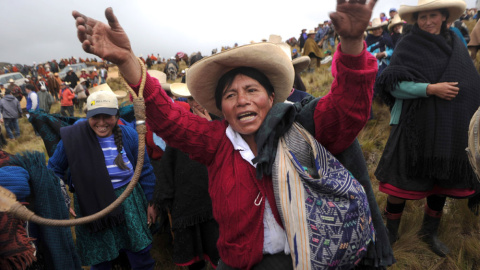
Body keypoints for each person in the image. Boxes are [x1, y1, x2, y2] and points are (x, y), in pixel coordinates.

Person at [73, 1, 394, 269]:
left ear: (272, 98)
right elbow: (168, 117)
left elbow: (348, 109)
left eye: (251, 90)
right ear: (221, 109)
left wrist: (352, 45)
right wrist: (128, 60)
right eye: (230, 95)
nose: (241, 100)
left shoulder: (303, 126)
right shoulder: (216, 143)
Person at [374, 0, 480, 258]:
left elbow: (469, 81)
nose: (427, 21)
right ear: (415, 20)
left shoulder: (455, 43)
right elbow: (393, 85)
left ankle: (428, 232)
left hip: (450, 125)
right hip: (413, 124)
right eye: (422, 17)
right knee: (400, 178)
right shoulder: (408, 45)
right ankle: (391, 232)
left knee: (440, 179)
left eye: (433, 16)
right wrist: (430, 89)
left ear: (444, 17)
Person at [48, 90, 156, 269]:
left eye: (108, 116)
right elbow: (53, 169)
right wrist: (63, 198)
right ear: (87, 116)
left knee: (139, 253)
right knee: (101, 258)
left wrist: (151, 201)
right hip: (91, 204)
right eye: (95, 117)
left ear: (117, 115)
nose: (101, 123)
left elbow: (144, 170)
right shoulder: (73, 139)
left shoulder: (129, 135)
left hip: (128, 200)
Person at [152, 83, 220, 270]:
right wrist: (161, 199)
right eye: (191, 98)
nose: (197, 102)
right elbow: (168, 166)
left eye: (201, 98)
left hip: (217, 204)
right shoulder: (180, 130)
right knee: (194, 257)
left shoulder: (224, 125)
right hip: (188, 204)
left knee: (220, 252)